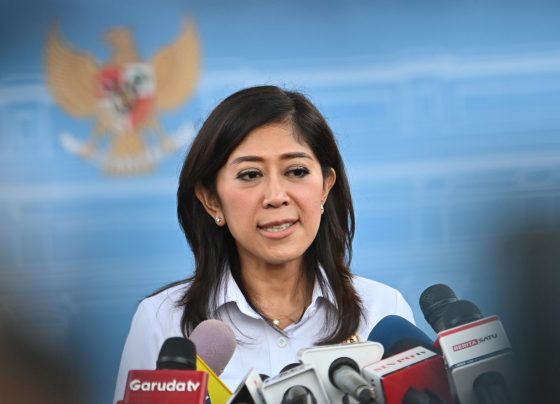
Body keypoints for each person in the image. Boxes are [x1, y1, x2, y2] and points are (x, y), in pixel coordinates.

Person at [113, 85, 414, 402]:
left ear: (326, 187)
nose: (275, 196)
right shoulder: (162, 321)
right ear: (212, 199)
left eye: (296, 171)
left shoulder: (383, 310)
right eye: (250, 175)